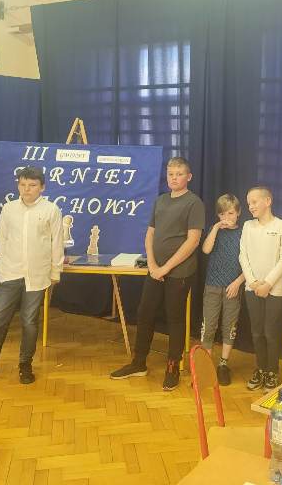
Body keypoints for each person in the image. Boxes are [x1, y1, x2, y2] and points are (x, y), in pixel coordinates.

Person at [0, 166, 63, 384]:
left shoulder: (51, 210)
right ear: (18, 185)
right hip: (10, 273)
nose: (27, 189)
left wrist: (55, 271)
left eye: (32, 185)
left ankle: (25, 364)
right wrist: (3, 265)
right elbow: (3, 238)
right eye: (23, 184)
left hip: (37, 276)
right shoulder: (9, 209)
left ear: (42, 187)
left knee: (29, 321)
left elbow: (56, 243)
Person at [110, 157, 205, 391]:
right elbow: (150, 234)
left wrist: (166, 267)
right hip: (155, 270)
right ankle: (138, 363)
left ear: (188, 177)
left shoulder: (194, 203)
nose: (174, 178)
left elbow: (192, 241)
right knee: (145, 313)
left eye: (179, 174)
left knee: (175, 318)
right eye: (171, 174)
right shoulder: (160, 200)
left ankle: (173, 367)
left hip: (179, 272)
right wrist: (152, 265)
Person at [239, 186, 282, 391]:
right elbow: (243, 256)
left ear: (268, 201)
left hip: (274, 290)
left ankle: (272, 372)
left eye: (254, 202)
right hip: (252, 288)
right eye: (248, 203)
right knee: (257, 333)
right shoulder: (248, 226)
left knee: (270, 332)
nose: (250, 206)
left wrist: (268, 283)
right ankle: (260, 369)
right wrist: (253, 282)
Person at [199, 194, 245, 386]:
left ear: (238, 213)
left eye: (231, 213)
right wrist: (216, 228)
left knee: (229, 326)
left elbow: (251, 263)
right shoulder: (215, 230)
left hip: (233, 287)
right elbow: (206, 250)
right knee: (209, 326)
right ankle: (206, 365)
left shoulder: (244, 233)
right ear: (218, 215)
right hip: (212, 285)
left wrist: (238, 282)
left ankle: (223, 364)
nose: (227, 217)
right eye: (223, 214)